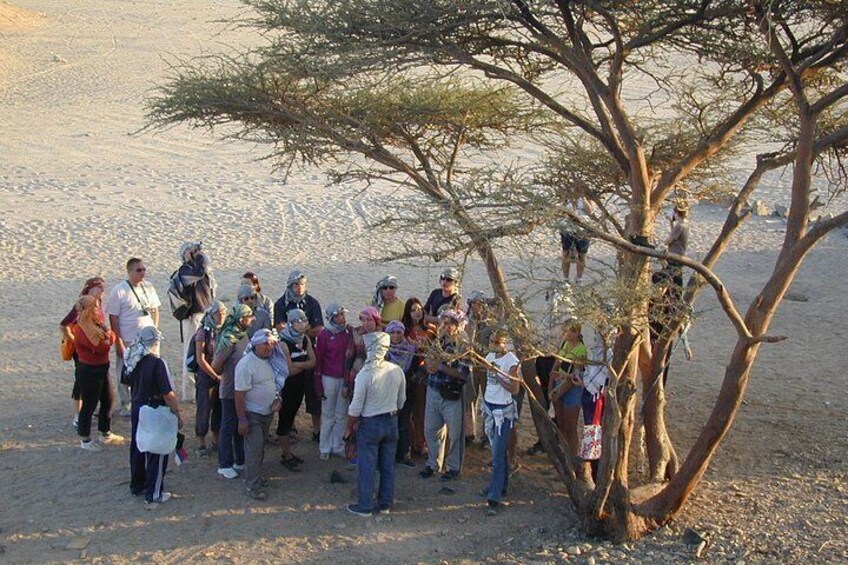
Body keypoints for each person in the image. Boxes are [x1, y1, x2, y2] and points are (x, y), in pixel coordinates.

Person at [344, 332, 406, 516]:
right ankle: (385, 504)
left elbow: (355, 408)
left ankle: (365, 506)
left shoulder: (365, 375)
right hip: (391, 420)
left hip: (370, 423)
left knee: (367, 466)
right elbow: (402, 400)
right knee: (388, 466)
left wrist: (349, 427)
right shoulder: (397, 370)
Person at [124, 326, 184, 507]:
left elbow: (126, 381)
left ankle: (137, 484)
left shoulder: (131, 359)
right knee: (158, 451)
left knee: (138, 447)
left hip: (137, 407)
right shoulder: (157, 364)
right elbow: (168, 394)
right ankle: (154, 493)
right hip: (155, 410)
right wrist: (177, 413)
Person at [235, 329, 291, 500]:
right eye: (265, 344)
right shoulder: (246, 365)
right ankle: (251, 485)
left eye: (272, 343)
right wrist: (242, 419)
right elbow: (239, 394)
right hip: (252, 413)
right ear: (256, 345)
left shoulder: (273, 360)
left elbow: (276, 384)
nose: (269, 347)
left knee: (260, 448)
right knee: (255, 448)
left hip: (267, 412)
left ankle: (256, 478)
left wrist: (278, 399)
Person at [106, 258, 161, 417]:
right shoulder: (120, 290)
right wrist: (118, 341)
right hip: (129, 338)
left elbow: (155, 310)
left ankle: (148, 399)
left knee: (150, 369)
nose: (143, 273)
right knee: (125, 371)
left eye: (144, 269)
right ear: (129, 271)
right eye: (138, 270)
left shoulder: (149, 287)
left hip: (148, 339)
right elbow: (113, 317)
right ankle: (126, 405)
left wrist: (154, 330)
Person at [273, 269, 324, 440]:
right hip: (288, 351)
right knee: (289, 395)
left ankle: (317, 429)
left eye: (302, 284)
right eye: (296, 284)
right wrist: (303, 328)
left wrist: (298, 331)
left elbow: (318, 330)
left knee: (313, 393)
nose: (299, 288)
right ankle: (290, 428)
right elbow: (280, 328)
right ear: (289, 285)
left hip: (307, 349)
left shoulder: (312, 303)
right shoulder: (281, 304)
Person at [420, 309, 470, 482]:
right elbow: (429, 359)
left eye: (449, 323)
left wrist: (440, 367)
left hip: (452, 394)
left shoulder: (463, 345)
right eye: (444, 322)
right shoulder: (439, 340)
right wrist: (430, 366)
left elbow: (463, 374)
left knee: (455, 433)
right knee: (431, 429)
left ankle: (454, 467)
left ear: (457, 325)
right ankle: (433, 463)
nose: (445, 326)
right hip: (433, 389)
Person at [71, 295, 122, 451]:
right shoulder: (81, 328)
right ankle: (85, 439)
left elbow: (110, 336)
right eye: (93, 306)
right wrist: (108, 338)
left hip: (101, 367)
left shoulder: (96, 323)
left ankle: (105, 432)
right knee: (90, 404)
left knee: (108, 399)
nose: (97, 309)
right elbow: (102, 347)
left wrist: (108, 338)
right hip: (89, 370)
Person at [211, 304, 255, 480]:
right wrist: (227, 374)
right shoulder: (229, 339)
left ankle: (239, 459)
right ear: (241, 319)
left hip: (242, 387)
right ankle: (224, 463)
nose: (251, 319)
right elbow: (216, 364)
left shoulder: (242, 335)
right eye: (249, 317)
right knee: (228, 426)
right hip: (230, 389)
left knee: (238, 425)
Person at [481, 329, 521, 515]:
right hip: (490, 406)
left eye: (497, 342)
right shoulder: (489, 356)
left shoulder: (511, 361)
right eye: (491, 341)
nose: (493, 345)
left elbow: (514, 388)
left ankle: (494, 496)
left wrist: (497, 374)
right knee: (497, 450)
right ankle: (501, 486)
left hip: (502, 410)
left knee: (497, 454)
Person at [60, 276, 107, 427]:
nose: (102, 290)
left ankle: (89, 410)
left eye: (103, 287)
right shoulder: (82, 304)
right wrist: (74, 339)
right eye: (98, 287)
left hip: (93, 347)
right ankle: (78, 415)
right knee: (80, 381)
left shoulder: (97, 303)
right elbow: (63, 325)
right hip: (81, 350)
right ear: (90, 288)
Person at [276, 309, 317, 471]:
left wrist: (298, 364)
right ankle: (285, 455)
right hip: (286, 387)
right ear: (290, 323)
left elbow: (313, 361)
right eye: (298, 321)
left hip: (300, 385)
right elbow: (288, 370)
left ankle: (289, 453)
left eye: (304, 320)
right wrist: (303, 364)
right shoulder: (283, 343)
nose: (302, 324)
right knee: (285, 420)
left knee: (293, 414)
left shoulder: (305, 339)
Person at [175, 242, 215, 403]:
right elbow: (199, 271)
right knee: (190, 352)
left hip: (203, 314)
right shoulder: (184, 271)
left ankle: (201, 387)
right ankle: (189, 393)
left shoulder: (202, 271)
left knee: (205, 350)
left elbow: (207, 272)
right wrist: (197, 255)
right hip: (192, 317)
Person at [315, 303, 355, 460]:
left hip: (343, 378)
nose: (341, 318)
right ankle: (324, 446)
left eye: (342, 315)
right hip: (328, 378)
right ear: (331, 318)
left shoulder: (348, 332)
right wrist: (318, 384)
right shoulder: (324, 334)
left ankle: (337, 445)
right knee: (328, 414)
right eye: (338, 316)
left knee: (341, 414)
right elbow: (319, 360)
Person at [571, 329, 612, 481]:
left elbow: (606, 381)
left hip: (599, 399)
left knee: (598, 433)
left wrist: (586, 382)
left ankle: (599, 473)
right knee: (591, 431)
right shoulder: (594, 350)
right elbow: (589, 372)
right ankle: (594, 472)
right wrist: (582, 379)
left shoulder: (611, 354)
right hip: (588, 395)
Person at [401, 298, 436, 458]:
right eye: (413, 309)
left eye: (419, 309)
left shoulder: (431, 330)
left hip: (424, 374)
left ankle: (420, 443)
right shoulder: (403, 330)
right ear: (408, 312)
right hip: (406, 374)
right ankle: (407, 442)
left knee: (421, 409)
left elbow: (437, 350)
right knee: (406, 409)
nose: (417, 312)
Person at [548, 319, 588, 457]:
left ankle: (572, 456)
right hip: (559, 383)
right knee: (561, 423)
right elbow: (558, 360)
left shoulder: (580, 350)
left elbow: (576, 375)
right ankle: (564, 453)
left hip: (571, 387)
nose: (563, 333)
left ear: (576, 332)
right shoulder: (565, 343)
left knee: (570, 426)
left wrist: (559, 391)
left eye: (566, 331)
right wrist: (551, 380)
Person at [193, 300, 227, 459]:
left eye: (223, 313)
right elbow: (200, 359)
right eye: (217, 313)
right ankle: (201, 442)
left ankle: (215, 439)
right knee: (204, 407)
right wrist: (214, 375)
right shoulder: (203, 332)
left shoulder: (225, 330)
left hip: (221, 373)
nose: (221, 316)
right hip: (206, 374)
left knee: (219, 407)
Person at [385, 320, 416, 467]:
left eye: (399, 332)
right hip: (388, 392)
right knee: (389, 424)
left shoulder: (410, 350)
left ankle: (403, 455)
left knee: (403, 424)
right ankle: (388, 455)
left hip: (406, 391)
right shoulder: (384, 351)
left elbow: (415, 371)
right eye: (392, 332)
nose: (396, 335)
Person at [465, 290, 494, 446]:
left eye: (478, 303)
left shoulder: (490, 324)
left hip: (485, 365)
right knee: (471, 398)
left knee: (488, 400)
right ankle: (469, 432)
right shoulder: (467, 321)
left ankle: (487, 435)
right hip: (471, 364)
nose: (475, 306)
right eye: (473, 303)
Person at [559, 193, 593, 285]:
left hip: (583, 226)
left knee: (581, 254)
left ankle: (579, 279)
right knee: (565, 252)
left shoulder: (587, 195)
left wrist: (584, 198)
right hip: (567, 225)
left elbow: (590, 211)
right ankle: (565, 279)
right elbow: (560, 210)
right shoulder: (566, 195)